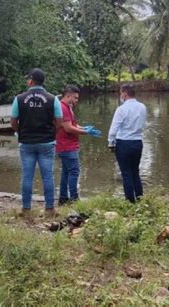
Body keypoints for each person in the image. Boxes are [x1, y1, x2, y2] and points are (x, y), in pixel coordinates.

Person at [10, 68, 62, 217]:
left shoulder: (19, 99)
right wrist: (52, 133)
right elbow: (59, 121)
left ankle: (26, 209)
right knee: (48, 176)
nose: (27, 81)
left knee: (27, 176)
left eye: (28, 79)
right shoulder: (53, 99)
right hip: (47, 143)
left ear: (31, 81)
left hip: (26, 143)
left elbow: (13, 121)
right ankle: (50, 209)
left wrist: (21, 132)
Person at [56, 85, 101, 205]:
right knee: (74, 172)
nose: (76, 100)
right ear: (68, 95)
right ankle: (74, 199)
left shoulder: (67, 107)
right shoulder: (63, 108)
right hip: (67, 145)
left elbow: (73, 125)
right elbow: (68, 128)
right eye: (75, 98)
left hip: (66, 145)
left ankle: (63, 198)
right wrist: (86, 132)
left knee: (66, 172)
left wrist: (84, 127)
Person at [108, 84, 147, 203]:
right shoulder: (142, 107)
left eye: (121, 93)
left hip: (124, 143)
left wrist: (111, 143)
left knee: (126, 173)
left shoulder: (121, 109)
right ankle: (140, 198)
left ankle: (130, 201)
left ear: (124, 93)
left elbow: (113, 129)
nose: (121, 96)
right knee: (135, 171)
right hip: (137, 142)